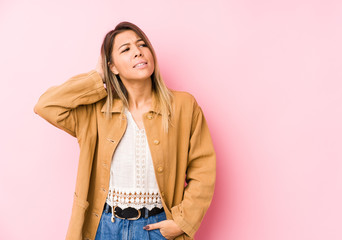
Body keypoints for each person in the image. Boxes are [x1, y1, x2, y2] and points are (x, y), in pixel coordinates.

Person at [34, 21, 216, 240]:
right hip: (105, 228)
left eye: (142, 45)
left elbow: (203, 170)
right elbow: (46, 105)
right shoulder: (96, 113)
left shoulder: (183, 106)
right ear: (112, 66)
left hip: (158, 228)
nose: (138, 52)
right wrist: (98, 77)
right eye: (126, 49)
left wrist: (181, 222)